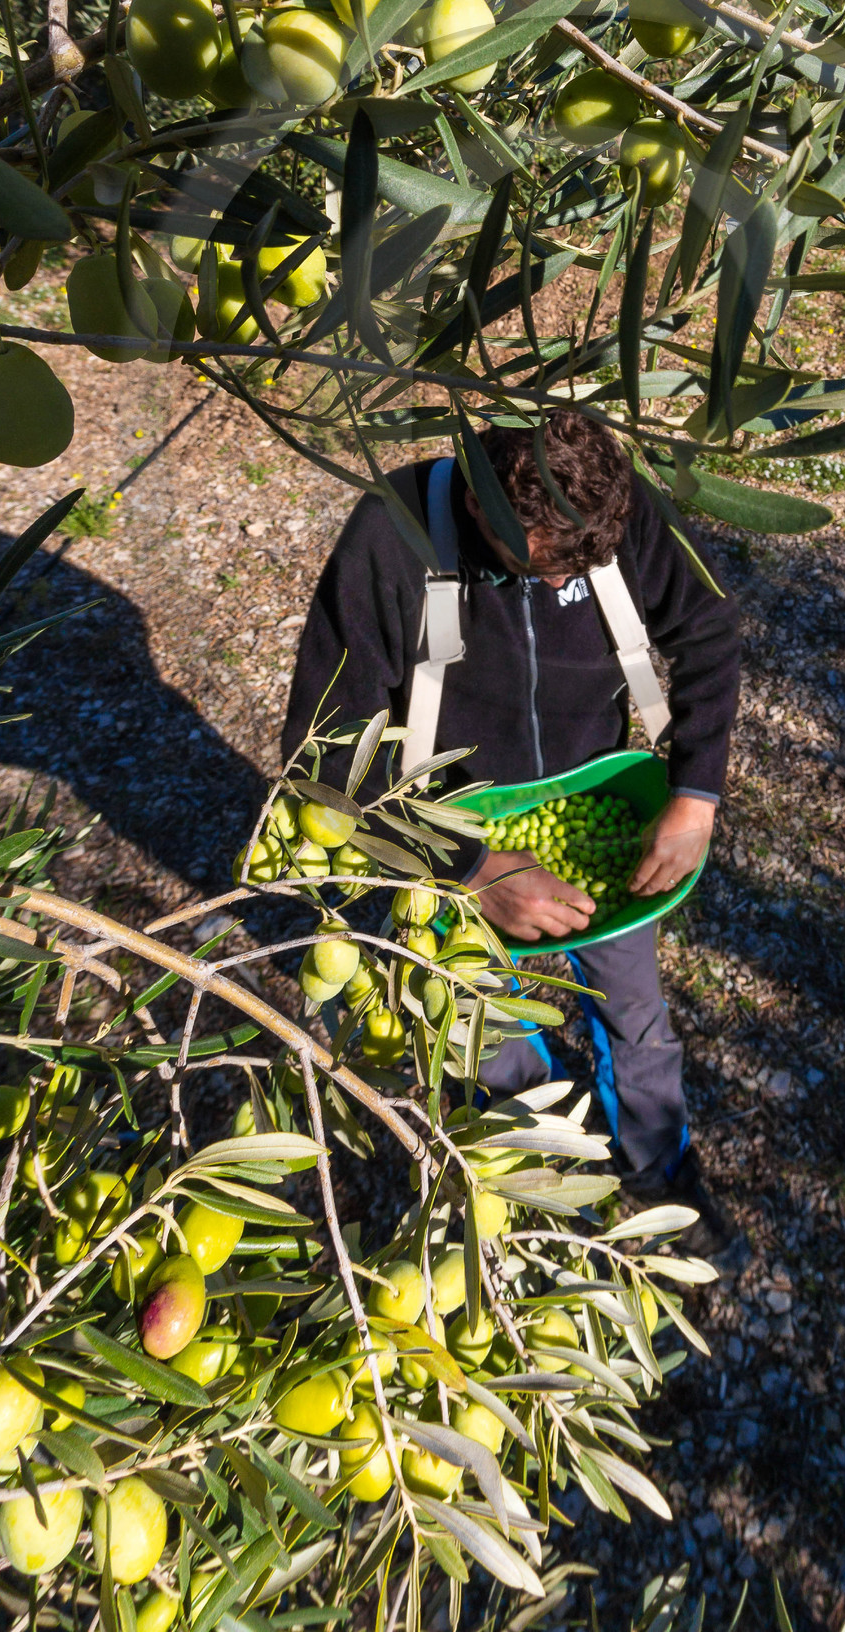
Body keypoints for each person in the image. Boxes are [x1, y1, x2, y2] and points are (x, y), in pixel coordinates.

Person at [283, 409, 743, 1257]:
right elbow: (324, 742)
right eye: (528, 569)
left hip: (595, 799)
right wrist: (468, 867)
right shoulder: (394, 537)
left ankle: (658, 1181)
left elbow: (708, 630)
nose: (552, 586)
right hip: (447, 830)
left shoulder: (616, 509)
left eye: (576, 572)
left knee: (636, 1015)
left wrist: (697, 793)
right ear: (476, 502)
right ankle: (548, 1181)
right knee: (483, 1038)